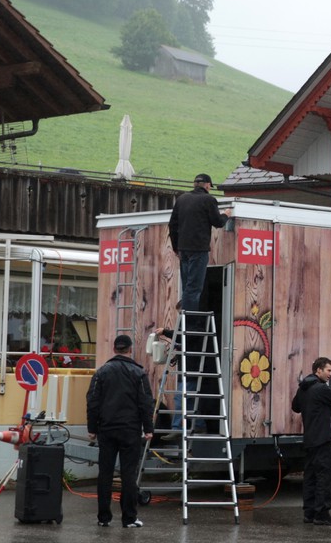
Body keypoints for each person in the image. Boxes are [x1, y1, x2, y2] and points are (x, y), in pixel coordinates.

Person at [86, 334, 154, 528]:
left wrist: (92, 428)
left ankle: (103, 518)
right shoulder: (138, 373)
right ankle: (129, 518)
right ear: (130, 349)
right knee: (128, 475)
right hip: (130, 430)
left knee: (105, 474)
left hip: (106, 429)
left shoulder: (101, 372)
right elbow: (146, 403)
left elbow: (92, 402)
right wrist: (148, 428)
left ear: (114, 349)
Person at [291, 356, 331, 526]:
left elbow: (295, 407)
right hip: (322, 439)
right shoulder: (320, 388)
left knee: (310, 477)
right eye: (329, 370)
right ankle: (322, 514)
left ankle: (309, 513)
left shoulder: (304, 388)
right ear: (318, 370)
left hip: (309, 439)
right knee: (324, 476)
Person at [168, 173, 229, 316]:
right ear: (207, 185)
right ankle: (190, 322)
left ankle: (185, 315)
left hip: (183, 249)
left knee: (187, 286)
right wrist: (226, 214)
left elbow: (172, 225)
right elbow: (218, 222)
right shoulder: (209, 200)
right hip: (198, 249)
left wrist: (176, 248)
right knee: (194, 287)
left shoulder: (181, 199)